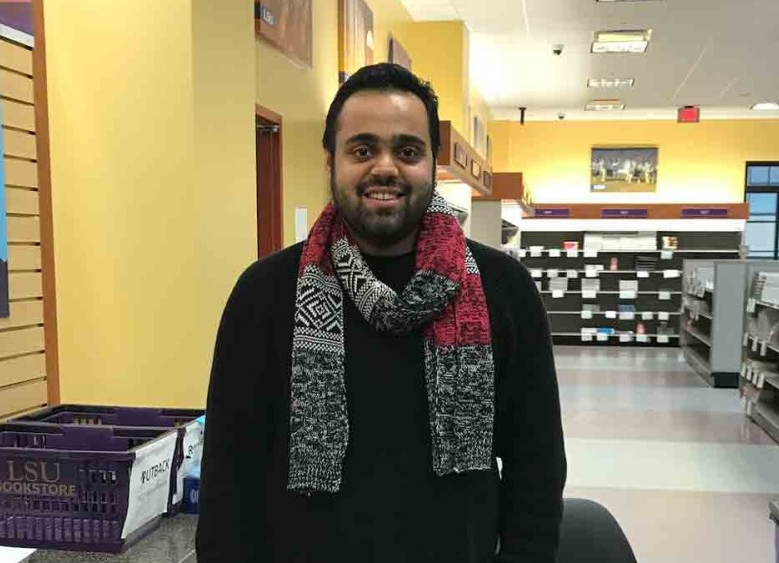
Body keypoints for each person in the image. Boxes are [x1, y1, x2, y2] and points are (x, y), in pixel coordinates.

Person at [196, 63, 566, 563]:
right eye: (363, 149)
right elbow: (228, 477)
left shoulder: (504, 290)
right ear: (331, 161)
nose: (385, 167)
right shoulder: (264, 294)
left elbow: (537, 467)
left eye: (407, 150)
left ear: (432, 163)